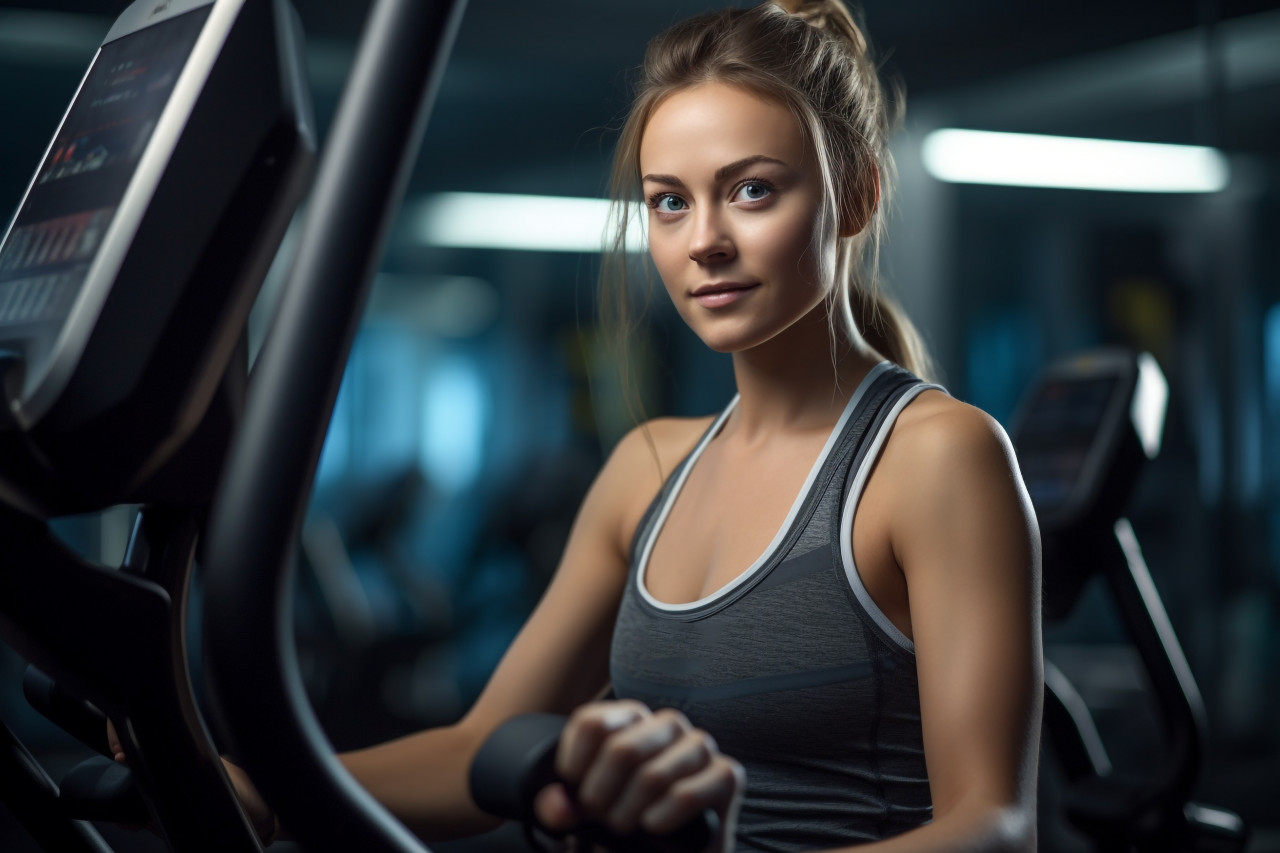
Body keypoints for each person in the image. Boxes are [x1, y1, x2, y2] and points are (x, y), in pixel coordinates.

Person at [115, 1, 1042, 850]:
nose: (704, 240)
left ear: (859, 195)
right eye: (670, 201)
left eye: (752, 190)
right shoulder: (648, 466)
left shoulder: (936, 457)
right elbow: (478, 747)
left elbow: (994, 825)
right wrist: (258, 790)